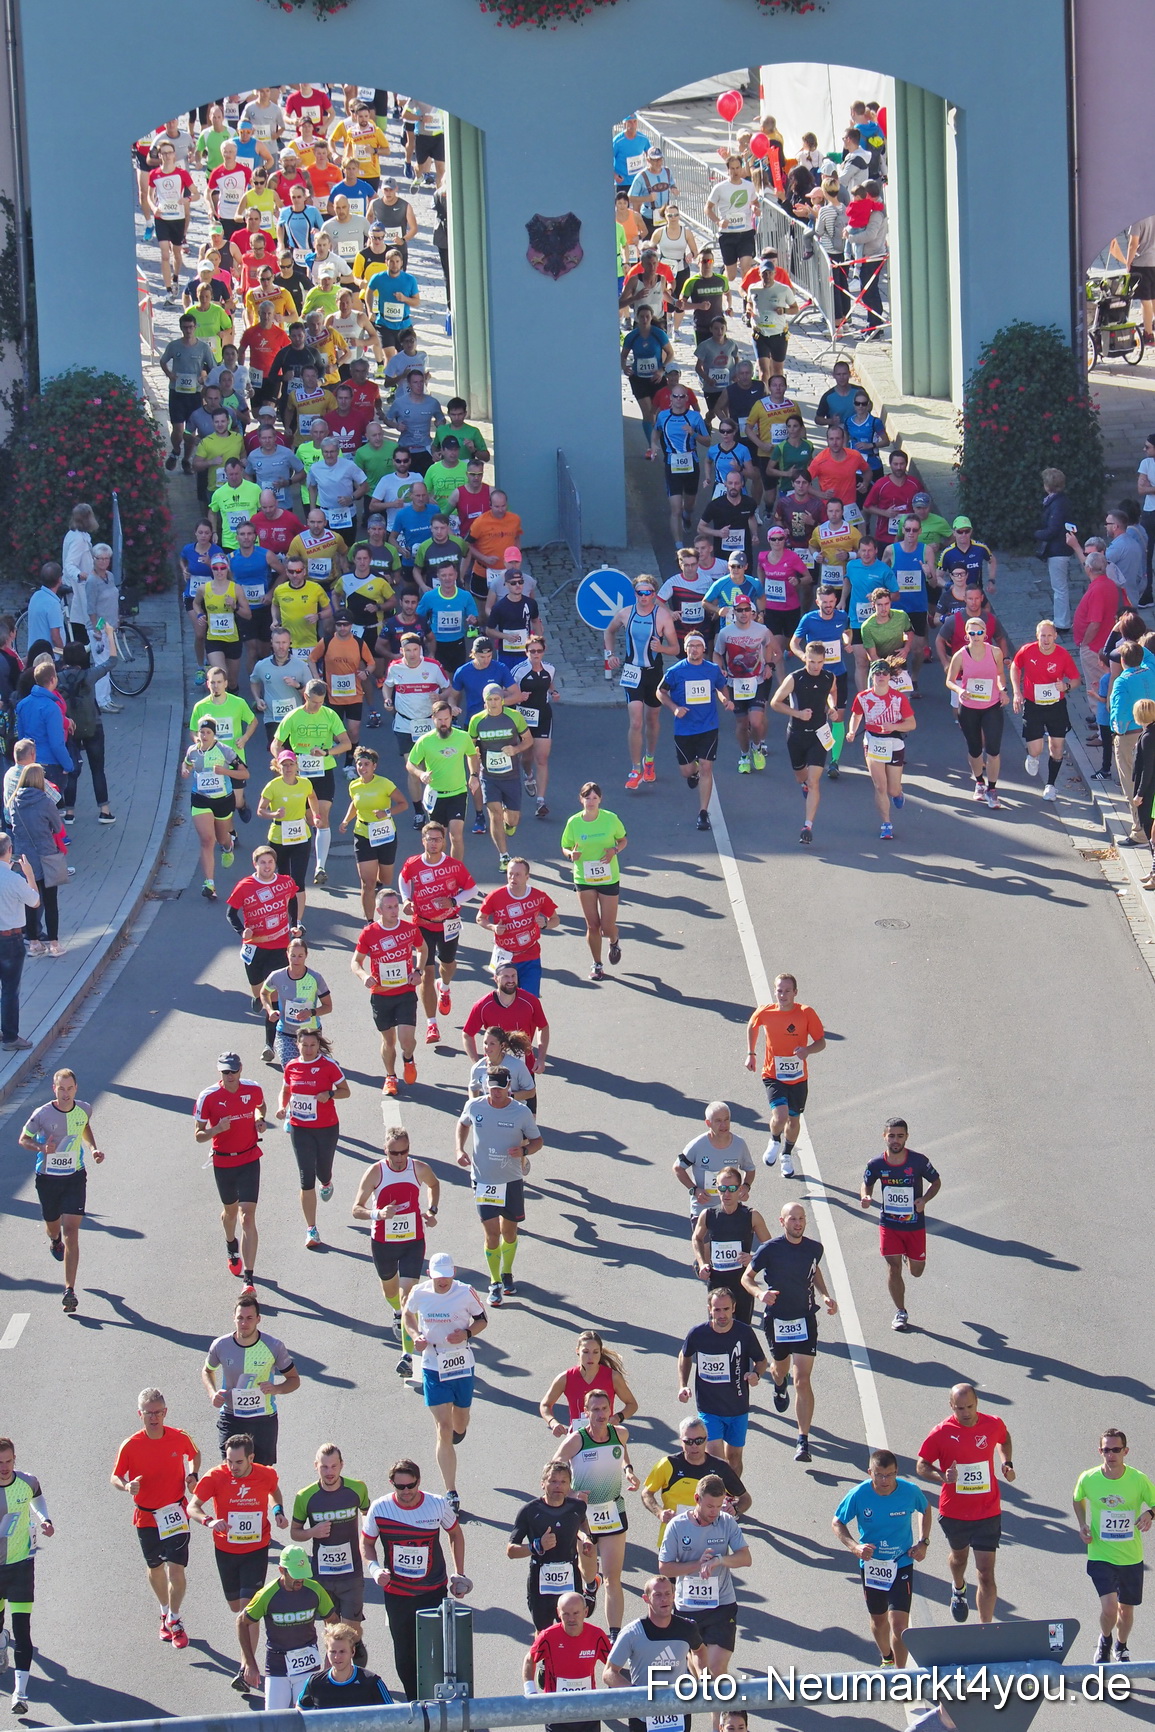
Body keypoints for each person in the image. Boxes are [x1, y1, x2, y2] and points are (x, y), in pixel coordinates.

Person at [360, 1458, 469, 1703]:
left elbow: (455, 1534)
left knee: (438, 1652)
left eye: (411, 1486)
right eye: (401, 1487)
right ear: (392, 1484)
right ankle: (415, 1703)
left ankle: (442, 1702)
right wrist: (376, 1570)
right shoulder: (380, 1508)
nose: (407, 1492)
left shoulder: (437, 1504)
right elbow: (366, 1542)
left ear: (419, 1482)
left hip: (432, 1590)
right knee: (405, 1655)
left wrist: (459, 1573)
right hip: (397, 1593)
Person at [188, 1433, 287, 1695]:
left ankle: (247, 1668)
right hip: (226, 1550)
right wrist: (209, 1521)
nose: (233, 1466)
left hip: (256, 1550)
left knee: (247, 1612)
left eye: (239, 1462)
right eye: (229, 1461)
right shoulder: (215, 1476)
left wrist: (277, 1510)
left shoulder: (265, 1474)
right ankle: (249, 1663)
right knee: (235, 1607)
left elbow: (274, 1491)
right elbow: (192, 1506)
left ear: (251, 1458)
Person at [742, 1202, 836, 1464]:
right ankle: (779, 1384)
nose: (798, 1223)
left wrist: (826, 1295)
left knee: (802, 1379)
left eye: (801, 1218)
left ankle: (803, 1440)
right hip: (778, 1321)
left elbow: (814, 1269)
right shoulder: (770, 1249)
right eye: (792, 1219)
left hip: (805, 1320)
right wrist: (761, 1293)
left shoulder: (814, 1248)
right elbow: (746, 1279)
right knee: (780, 1370)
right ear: (782, 1222)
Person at [916, 1382, 1015, 1624]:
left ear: (977, 1402)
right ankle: (958, 1589)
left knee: (985, 1574)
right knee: (959, 1558)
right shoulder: (940, 1432)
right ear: (951, 1406)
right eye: (960, 1408)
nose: (966, 1412)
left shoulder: (993, 1424)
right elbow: (921, 1466)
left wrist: (1007, 1462)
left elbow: (1005, 1439)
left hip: (987, 1510)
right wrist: (942, 1477)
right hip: (954, 1512)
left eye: (970, 1406)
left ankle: (985, 1628)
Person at [111, 1389, 201, 1651]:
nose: (154, 1417)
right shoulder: (131, 1445)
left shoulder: (179, 1437)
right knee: (155, 1569)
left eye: (158, 1412)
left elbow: (195, 1454)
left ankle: (175, 1619)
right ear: (140, 1414)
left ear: (165, 1412)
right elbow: (115, 1476)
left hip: (175, 1512)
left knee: (177, 1569)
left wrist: (192, 1474)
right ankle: (164, 1611)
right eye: (148, 1413)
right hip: (147, 1516)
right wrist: (127, 1486)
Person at [402, 1252, 489, 1512]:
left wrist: (467, 1333)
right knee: (442, 1427)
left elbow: (483, 1319)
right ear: (431, 1275)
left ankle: (458, 1432)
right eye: (439, 1277)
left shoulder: (466, 1292)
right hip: (432, 1363)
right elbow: (407, 1315)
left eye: (447, 1276)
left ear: (453, 1273)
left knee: (459, 1422)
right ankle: (451, 1491)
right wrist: (416, 1334)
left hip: (461, 1362)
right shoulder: (420, 1292)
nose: (443, 1282)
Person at [351, 1124, 439, 1374]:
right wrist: (377, 1213)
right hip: (384, 1243)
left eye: (404, 1152)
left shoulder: (419, 1168)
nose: (400, 1159)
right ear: (385, 1150)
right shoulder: (375, 1172)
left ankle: (406, 1357)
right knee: (390, 1290)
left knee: (408, 1295)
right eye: (394, 1153)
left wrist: (432, 1210)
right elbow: (356, 1208)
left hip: (413, 1241)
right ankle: (397, 1312)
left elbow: (434, 1185)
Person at [833, 1449, 931, 1668]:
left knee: (899, 1626)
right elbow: (837, 1522)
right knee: (879, 1620)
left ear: (897, 1472)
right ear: (870, 1472)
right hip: (873, 1565)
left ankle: (901, 1674)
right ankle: (887, 1656)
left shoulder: (909, 1491)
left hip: (902, 1562)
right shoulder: (858, 1495)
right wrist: (854, 1547)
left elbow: (925, 1508)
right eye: (879, 1475)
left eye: (890, 1475)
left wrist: (923, 1542)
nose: (885, 1480)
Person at [19, 1068, 104, 1314]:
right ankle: (54, 1240)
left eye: (70, 1088)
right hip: (47, 1178)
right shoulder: (42, 1114)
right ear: (54, 1090)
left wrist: (93, 1149)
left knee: (72, 1232)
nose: (66, 1094)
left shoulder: (84, 1109)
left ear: (76, 1088)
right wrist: (41, 1147)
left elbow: (85, 1127)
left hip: (74, 1177)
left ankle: (69, 1290)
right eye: (61, 1089)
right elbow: (23, 1139)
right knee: (54, 1226)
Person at [553, 1389, 637, 1638]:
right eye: (596, 1410)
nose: (601, 1414)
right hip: (584, 1516)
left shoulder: (620, 1433)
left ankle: (614, 1634)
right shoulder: (576, 1440)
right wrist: (570, 1494)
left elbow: (622, 1454)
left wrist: (629, 1470)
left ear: (611, 1410)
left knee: (613, 1577)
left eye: (605, 1408)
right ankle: (591, 1583)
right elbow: (553, 1468)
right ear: (586, 1413)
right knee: (588, 1567)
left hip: (612, 1510)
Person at [455, 1067, 543, 1305]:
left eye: (499, 1089)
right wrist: (459, 1149)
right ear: (486, 1086)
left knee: (509, 1232)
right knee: (492, 1235)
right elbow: (463, 1124)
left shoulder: (521, 1112)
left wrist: (524, 1150)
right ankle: (494, 1281)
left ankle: (507, 1272)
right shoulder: (475, 1106)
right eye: (491, 1088)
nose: (495, 1093)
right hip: (484, 1181)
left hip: (511, 1180)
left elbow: (537, 1141)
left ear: (508, 1087)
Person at [1072, 1429, 1155, 1664]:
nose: (1111, 1454)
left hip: (1130, 1556)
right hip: (1100, 1553)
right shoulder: (1089, 1478)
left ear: (1125, 1451)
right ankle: (1105, 1639)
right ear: (1100, 1451)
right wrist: (1082, 1525)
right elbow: (1078, 1499)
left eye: (1116, 1450)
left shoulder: (1138, 1480)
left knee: (1126, 1610)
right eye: (1106, 1450)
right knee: (1109, 1607)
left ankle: (1121, 1645)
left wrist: (1149, 1513)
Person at [657, 1476, 751, 1682]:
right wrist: (697, 1565)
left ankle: (719, 1716)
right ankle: (695, 1668)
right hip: (688, 1607)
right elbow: (664, 1567)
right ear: (696, 1499)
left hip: (722, 1605)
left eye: (719, 1506)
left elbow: (745, 1558)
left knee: (716, 1669)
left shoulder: (726, 1522)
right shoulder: (677, 1526)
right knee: (702, 1673)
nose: (714, 1512)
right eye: (709, 1506)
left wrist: (719, 1560)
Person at [397, 820, 477, 1045]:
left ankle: (446, 987)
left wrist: (453, 900)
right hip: (422, 924)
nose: (434, 843)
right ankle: (431, 1023)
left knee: (448, 965)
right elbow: (403, 880)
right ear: (423, 841)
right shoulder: (413, 863)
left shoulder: (453, 865)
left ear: (443, 841)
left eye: (438, 839)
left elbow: (472, 889)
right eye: (430, 839)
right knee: (426, 973)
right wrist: (406, 900)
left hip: (448, 923)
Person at [193, 1052, 268, 1291]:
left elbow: (261, 1106)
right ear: (220, 1072)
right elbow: (198, 1135)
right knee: (230, 1213)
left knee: (248, 1215)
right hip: (224, 1162)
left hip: (249, 1157)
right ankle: (230, 1244)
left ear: (241, 1070)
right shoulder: (208, 1097)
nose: (230, 1076)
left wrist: (260, 1119)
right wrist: (216, 1129)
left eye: (234, 1071)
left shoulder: (252, 1089)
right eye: (226, 1072)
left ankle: (249, 1276)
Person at [677, 1285, 766, 1480]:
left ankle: (732, 1498)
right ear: (710, 1309)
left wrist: (756, 1375)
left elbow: (762, 1361)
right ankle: (718, 1502)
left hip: (737, 1408)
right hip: (709, 1408)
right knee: (717, 1460)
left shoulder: (744, 1333)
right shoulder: (698, 1333)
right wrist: (683, 1384)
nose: (722, 1314)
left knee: (734, 1459)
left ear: (733, 1308)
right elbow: (685, 1355)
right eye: (717, 1309)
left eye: (726, 1309)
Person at [860, 1117, 941, 1331]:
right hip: (889, 1225)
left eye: (900, 1136)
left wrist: (924, 1200)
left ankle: (908, 1256)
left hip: (914, 1226)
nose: (895, 1140)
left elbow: (936, 1182)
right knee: (893, 1268)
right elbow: (866, 1184)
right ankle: (901, 1312)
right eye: (891, 1136)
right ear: (884, 1136)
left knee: (916, 1271)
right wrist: (866, 1197)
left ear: (907, 1137)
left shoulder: (919, 1161)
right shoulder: (876, 1164)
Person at [225, 843, 304, 1059]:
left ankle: (270, 1045)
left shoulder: (285, 882)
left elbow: (293, 898)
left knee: (273, 997)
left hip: (279, 947)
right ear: (255, 864)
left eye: (270, 862)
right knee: (258, 990)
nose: (267, 866)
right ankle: (258, 998)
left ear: (275, 864)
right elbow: (231, 914)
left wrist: (294, 923)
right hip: (254, 949)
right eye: (263, 863)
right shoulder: (245, 886)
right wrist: (243, 931)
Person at [202, 1292, 300, 1465]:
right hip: (231, 1417)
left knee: (261, 1477)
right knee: (230, 1472)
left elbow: (294, 1380)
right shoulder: (221, 1345)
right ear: (233, 1318)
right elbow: (207, 1371)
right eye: (240, 1318)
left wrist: (276, 1388)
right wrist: (212, 1393)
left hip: (263, 1419)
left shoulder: (273, 1346)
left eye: (249, 1318)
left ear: (258, 1319)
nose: (244, 1323)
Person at [272, 680, 353, 885]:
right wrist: (284, 761)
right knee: (308, 818)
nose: (318, 706)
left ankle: (320, 867)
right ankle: (299, 854)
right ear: (306, 697)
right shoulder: (293, 716)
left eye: (321, 702)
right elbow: (276, 744)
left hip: (323, 771)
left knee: (322, 817)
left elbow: (346, 743)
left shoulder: (330, 715)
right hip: (300, 775)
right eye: (314, 702)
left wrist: (326, 752)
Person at [603, 576, 680, 790]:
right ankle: (635, 768)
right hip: (632, 671)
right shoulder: (625, 614)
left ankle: (649, 760)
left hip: (654, 673)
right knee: (636, 721)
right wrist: (609, 655)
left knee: (652, 720)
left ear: (654, 594)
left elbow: (676, 648)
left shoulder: (663, 616)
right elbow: (608, 631)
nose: (644, 597)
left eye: (648, 593)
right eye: (640, 593)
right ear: (635, 593)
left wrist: (662, 649)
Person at [745, 971, 825, 1174]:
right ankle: (774, 1141)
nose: (783, 995)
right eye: (779, 991)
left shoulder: (806, 1013)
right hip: (773, 1074)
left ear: (795, 992)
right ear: (775, 992)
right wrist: (751, 1053)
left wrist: (807, 1050)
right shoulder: (766, 1012)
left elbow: (821, 1042)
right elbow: (752, 1026)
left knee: (794, 1119)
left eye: (787, 991)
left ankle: (786, 1155)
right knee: (780, 1116)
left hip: (798, 1077)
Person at [603, 1574, 706, 1732]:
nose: (664, 1599)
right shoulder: (632, 1633)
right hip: (643, 1715)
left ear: (673, 1596)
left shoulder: (687, 1628)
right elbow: (609, 1673)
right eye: (657, 1595)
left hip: (678, 1710)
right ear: (646, 1599)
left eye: (667, 1594)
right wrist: (637, 1695)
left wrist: (702, 1677)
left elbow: (699, 1650)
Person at [277, 1027, 349, 1248]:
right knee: (306, 1178)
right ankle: (311, 1229)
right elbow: (286, 1089)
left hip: (326, 1128)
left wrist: (330, 1094)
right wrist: (282, 1107)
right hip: (300, 1129)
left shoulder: (328, 1066)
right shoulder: (292, 1066)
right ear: (297, 1045)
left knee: (323, 1170)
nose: (308, 1049)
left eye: (312, 1045)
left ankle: (326, 1181)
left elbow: (346, 1090)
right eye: (304, 1045)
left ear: (318, 1045)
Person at [656, 632, 731, 832]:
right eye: (690, 646)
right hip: (684, 729)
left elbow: (721, 687)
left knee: (707, 767)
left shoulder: (713, 670)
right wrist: (674, 708)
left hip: (708, 726)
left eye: (698, 645)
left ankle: (703, 813)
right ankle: (694, 772)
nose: (694, 649)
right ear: (685, 648)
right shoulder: (675, 671)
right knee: (686, 771)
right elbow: (660, 691)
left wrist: (725, 700)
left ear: (704, 649)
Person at [0, 1440, 52, 1715]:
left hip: (21, 1566)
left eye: (9, 1461)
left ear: (15, 1459)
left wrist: (45, 1519)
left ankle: (20, 1694)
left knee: (23, 1630)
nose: (4, 1468)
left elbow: (38, 1497)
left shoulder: (27, 1481)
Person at [561, 782, 627, 982]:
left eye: (594, 798)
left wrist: (614, 850)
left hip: (608, 878)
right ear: (581, 799)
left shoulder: (610, 819)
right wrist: (571, 854)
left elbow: (623, 840)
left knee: (607, 927)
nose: (590, 802)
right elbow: (565, 846)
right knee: (592, 925)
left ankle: (614, 940)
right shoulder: (573, 822)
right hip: (584, 877)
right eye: (587, 798)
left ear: (600, 800)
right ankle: (597, 964)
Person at [845, 659, 916, 840]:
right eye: (877, 674)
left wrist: (893, 726)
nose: (881, 677)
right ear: (872, 676)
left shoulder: (898, 698)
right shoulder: (863, 697)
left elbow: (911, 724)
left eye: (884, 674)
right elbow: (856, 715)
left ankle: (898, 793)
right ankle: (886, 823)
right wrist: (852, 731)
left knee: (892, 789)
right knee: (880, 786)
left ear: (890, 676)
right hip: (873, 741)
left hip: (894, 742)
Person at [1009, 619, 1080, 801]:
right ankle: (1033, 757)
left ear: (1055, 636)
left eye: (1050, 635)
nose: (1046, 639)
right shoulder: (1027, 650)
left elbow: (1075, 679)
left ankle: (1050, 785)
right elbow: (1015, 667)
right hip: (1034, 706)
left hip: (1056, 706)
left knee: (1057, 748)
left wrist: (1066, 686)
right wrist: (1017, 692)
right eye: (1043, 636)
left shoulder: (1063, 655)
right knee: (1035, 749)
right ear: (1037, 636)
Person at [945, 616, 1009, 809]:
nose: (975, 636)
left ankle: (992, 788)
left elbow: (1000, 675)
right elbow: (949, 680)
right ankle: (979, 781)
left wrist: (1003, 691)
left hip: (991, 706)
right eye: (971, 633)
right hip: (969, 708)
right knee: (974, 750)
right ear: (967, 635)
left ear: (985, 634)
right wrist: (959, 690)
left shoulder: (995, 652)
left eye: (979, 632)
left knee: (993, 750)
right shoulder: (960, 655)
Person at [691, 1168, 769, 1325]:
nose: (727, 1193)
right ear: (717, 1189)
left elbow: (770, 1247)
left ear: (740, 1189)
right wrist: (702, 1263)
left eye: (732, 1188)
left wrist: (754, 1258)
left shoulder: (751, 1216)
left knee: (742, 1328)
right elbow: (697, 1238)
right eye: (722, 1188)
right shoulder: (708, 1215)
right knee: (716, 1327)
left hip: (742, 1283)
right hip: (717, 1283)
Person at [467, 682, 534, 869]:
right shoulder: (476, 721)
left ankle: (509, 824)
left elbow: (528, 740)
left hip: (511, 776)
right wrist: (473, 774)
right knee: (495, 814)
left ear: (502, 700)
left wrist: (516, 749)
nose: (494, 703)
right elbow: (469, 749)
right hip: (489, 776)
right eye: (490, 699)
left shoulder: (514, 717)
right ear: (484, 701)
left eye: (497, 699)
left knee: (512, 819)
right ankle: (504, 856)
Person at [338, 744, 407, 918]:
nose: (362, 768)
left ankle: (377, 882)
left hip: (385, 834)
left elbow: (403, 804)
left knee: (386, 879)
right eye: (359, 764)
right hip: (363, 834)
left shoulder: (384, 784)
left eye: (366, 764)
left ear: (374, 766)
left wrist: (387, 813)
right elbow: (355, 803)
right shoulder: (354, 786)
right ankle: (370, 921)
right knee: (367, 884)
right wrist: (346, 820)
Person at [477, 857, 559, 1000]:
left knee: (529, 999)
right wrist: (493, 927)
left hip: (530, 956)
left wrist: (545, 923)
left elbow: (556, 920)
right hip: (505, 958)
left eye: (518, 874)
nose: (512, 878)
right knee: (506, 999)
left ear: (527, 877)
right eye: (510, 873)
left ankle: (528, 1022)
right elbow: (480, 918)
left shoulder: (538, 896)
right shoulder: (495, 896)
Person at [642, 1418, 750, 1524]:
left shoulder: (720, 1467)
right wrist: (659, 1513)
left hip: (709, 1537)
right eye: (688, 1441)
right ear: (681, 1441)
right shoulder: (667, 1465)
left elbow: (745, 1499)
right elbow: (646, 1494)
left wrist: (734, 1509)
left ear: (706, 1439)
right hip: (675, 1536)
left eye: (699, 1441)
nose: (694, 1446)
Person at [539, 1331, 639, 1437]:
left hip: (606, 1438)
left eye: (595, 1352)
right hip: (577, 1439)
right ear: (577, 1351)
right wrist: (553, 1423)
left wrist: (617, 1417)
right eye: (586, 1352)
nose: (590, 1357)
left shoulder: (612, 1377)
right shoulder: (565, 1378)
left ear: (601, 1352)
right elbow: (545, 1405)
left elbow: (632, 1404)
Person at [504, 637, 558, 817]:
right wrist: (518, 696)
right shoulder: (519, 670)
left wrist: (553, 691)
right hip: (524, 718)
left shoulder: (550, 668)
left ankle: (540, 801)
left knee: (542, 758)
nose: (536, 654)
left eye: (539, 651)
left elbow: (549, 682)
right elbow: (506, 691)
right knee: (526, 757)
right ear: (526, 652)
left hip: (543, 716)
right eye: (532, 651)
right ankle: (528, 775)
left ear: (544, 651)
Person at [261, 936, 332, 1070]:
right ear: (287, 954)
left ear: (306, 955)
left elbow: (328, 1006)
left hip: (310, 1033)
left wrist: (311, 1013)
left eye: (300, 956)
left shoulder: (315, 978)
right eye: (293, 955)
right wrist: (269, 1010)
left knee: (310, 1072)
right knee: (292, 1072)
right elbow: (264, 993)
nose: (296, 960)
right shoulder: (277, 976)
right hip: (285, 1033)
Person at [0, 835, 39, 1051]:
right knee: (10, 989)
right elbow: (34, 901)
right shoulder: (14, 880)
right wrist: (30, 876)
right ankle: (10, 1037)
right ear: (9, 850)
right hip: (10, 940)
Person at [298, 1621, 393, 1709]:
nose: (337, 1657)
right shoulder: (315, 1683)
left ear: (352, 1651)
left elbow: (393, 1714)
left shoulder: (372, 1683)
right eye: (333, 1652)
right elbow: (300, 1709)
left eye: (342, 1652)